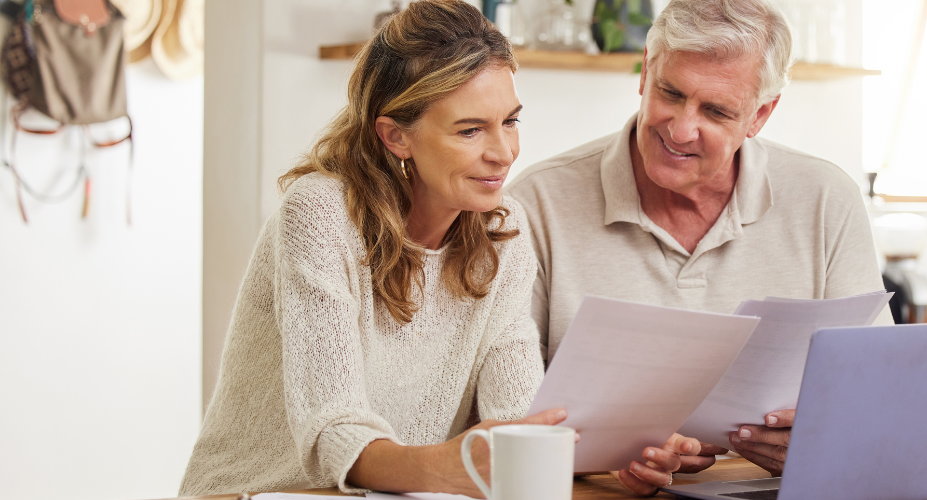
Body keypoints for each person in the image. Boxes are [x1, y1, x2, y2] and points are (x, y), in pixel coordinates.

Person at [179, 1, 560, 496]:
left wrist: (615, 452)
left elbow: (519, 415)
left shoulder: (501, 231)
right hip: (258, 493)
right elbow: (333, 428)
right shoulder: (321, 216)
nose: (504, 152)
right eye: (470, 130)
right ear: (396, 136)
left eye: (510, 121)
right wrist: (444, 468)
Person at [507, 0, 890, 491]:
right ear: (646, 72)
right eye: (671, 92)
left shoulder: (825, 199)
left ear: (760, 115)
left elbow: (878, 390)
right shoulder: (535, 202)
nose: (681, 128)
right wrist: (600, 456)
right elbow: (506, 410)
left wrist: (825, 434)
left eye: (716, 110)